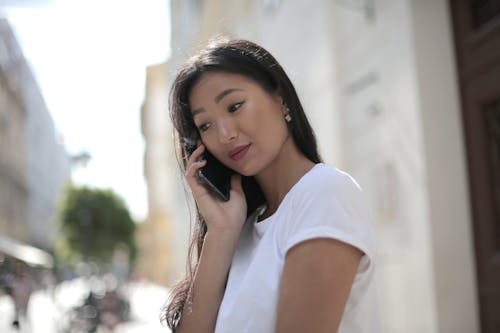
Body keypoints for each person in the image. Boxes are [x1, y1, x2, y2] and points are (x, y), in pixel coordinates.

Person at [163, 38, 378, 333]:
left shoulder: (324, 193)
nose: (224, 134)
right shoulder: (241, 227)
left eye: (234, 106)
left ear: (280, 98)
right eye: (205, 126)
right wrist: (222, 232)